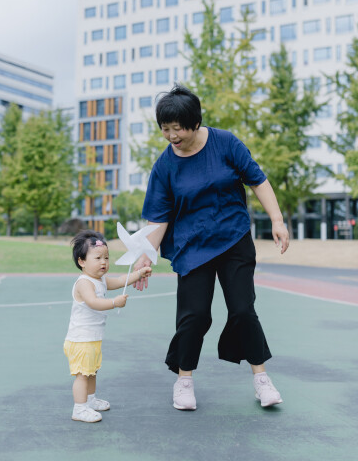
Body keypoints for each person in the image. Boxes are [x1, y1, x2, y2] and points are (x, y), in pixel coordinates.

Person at [134, 84, 289, 411]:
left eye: (178, 128)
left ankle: (261, 379)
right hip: (192, 246)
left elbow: (258, 180)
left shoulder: (226, 143)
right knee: (194, 316)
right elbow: (158, 219)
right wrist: (143, 257)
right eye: (165, 129)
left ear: (194, 122)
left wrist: (277, 220)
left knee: (243, 310)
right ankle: (184, 380)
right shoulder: (165, 166)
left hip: (233, 238)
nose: (172, 136)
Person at [64, 230, 152, 423]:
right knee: (82, 375)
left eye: (106, 257)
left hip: (92, 338)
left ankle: (90, 400)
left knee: (92, 371)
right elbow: (93, 302)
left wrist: (138, 273)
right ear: (82, 261)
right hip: (80, 339)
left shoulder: (100, 280)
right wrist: (114, 303)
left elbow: (120, 280)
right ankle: (79, 408)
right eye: (97, 258)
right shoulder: (84, 283)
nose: (103, 262)